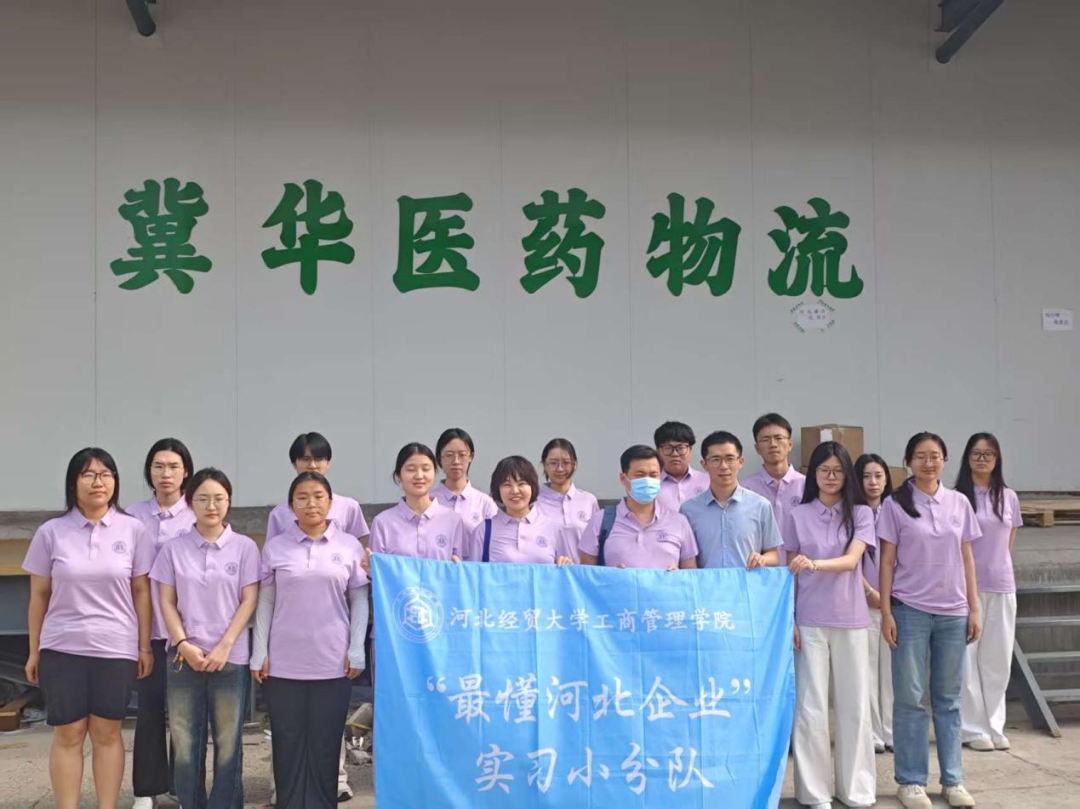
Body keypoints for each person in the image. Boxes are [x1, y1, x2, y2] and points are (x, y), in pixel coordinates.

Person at [23, 448, 154, 809]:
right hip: (62, 646)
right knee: (68, 732)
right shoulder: (51, 532)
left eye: (106, 474)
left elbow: (141, 591)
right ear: (73, 483)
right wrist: (34, 651)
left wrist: (144, 646)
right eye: (89, 474)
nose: (99, 482)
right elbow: (38, 596)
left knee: (107, 732)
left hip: (115, 646)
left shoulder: (133, 530)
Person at [252, 472, 369, 809]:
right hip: (283, 661)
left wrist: (356, 649)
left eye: (318, 496)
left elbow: (359, 600)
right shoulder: (276, 547)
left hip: (333, 660)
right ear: (291, 506)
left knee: (325, 741)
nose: (311, 503)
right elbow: (265, 601)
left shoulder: (348, 545)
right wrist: (259, 651)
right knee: (286, 740)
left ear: (330, 502)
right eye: (302, 497)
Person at [879, 433, 981, 809]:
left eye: (935, 456)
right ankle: (910, 781)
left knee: (948, 700)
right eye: (920, 456)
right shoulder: (895, 504)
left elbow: (967, 558)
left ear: (945, 460)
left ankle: (953, 780)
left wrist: (974, 607)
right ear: (908, 461)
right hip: (909, 610)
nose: (928, 462)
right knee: (909, 699)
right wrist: (887, 611)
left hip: (953, 612)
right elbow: (886, 561)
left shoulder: (959, 502)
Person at [151, 468, 259, 809]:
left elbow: (249, 599)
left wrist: (225, 645)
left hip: (231, 657)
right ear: (190, 502)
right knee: (185, 743)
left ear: (229, 502)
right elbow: (166, 601)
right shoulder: (173, 549)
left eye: (219, 499)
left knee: (229, 742)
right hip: (184, 658)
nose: (211, 506)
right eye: (202, 499)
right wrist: (183, 643)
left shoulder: (244, 548)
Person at [784, 442, 877, 809]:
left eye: (838, 470)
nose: (831, 477)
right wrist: (790, 618)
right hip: (808, 619)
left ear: (847, 474)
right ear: (814, 474)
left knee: (855, 705)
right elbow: (789, 573)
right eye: (824, 470)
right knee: (810, 707)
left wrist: (814, 564)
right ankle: (814, 792)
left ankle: (856, 790)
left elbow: (852, 560)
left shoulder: (861, 513)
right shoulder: (797, 514)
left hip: (851, 618)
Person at [127, 437, 196, 809]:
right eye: (158, 466)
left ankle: (183, 787)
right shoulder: (132, 516)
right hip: (147, 630)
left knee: (185, 716)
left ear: (186, 472)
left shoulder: (197, 512)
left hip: (189, 632)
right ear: (149, 472)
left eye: (173, 466)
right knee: (149, 711)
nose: (166, 473)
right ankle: (145, 790)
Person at [955, 433, 1022, 752]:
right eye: (976, 453)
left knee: (998, 660)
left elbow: (1008, 541)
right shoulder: (957, 498)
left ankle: (995, 725)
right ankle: (972, 729)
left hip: (1002, 586)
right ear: (967, 457)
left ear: (997, 459)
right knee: (967, 661)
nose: (982, 459)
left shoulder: (1008, 497)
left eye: (989, 454)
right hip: (964, 589)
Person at [579, 445, 698, 569]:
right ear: (623, 478)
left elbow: (691, 574)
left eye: (653, 475)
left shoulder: (678, 522)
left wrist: (678, 576)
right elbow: (586, 573)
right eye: (640, 475)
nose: (647, 481)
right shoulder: (601, 520)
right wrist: (610, 575)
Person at [680, 431, 783, 570]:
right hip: (707, 583)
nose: (724, 466)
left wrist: (762, 559)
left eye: (730, 458)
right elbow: (685, 559)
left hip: (747, 583)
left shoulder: (760, 505)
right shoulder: (689, 510)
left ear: (741, 462)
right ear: (704, 464)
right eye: (716, 459)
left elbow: (774, 555)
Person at [854, 452, 895, 754]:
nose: (873, 482)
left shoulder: (895, 511)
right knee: (866, 670)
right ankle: (872, 733)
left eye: (878, 476)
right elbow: (848, 561)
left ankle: (892, 731)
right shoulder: (852, 514)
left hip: (893, 605)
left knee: (892, 673)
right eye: (866, 476)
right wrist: (869, 592)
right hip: (861, 603)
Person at [367, 442, 466, 563]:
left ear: (434, 473)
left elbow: (460, 567)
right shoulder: (383, 523)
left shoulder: (452, 520)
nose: (419, 476)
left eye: (426, 469)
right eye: (411, 469)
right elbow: (378, 570)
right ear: (399, 476)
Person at [465, 456, 574, 565]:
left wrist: (567, 564)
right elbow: (473, 573)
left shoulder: (552, 528)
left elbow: (566, 570)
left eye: (521, 483)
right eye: (507, 485)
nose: (515, 491)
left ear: (532, 486)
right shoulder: (484, 530)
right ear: (498, 490)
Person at [266, 431, 369, 543]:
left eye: (319, 459)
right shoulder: (279, 514)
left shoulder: (349, 507)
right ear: (294, 464)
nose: (312, 465)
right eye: (305, 459)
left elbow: (354, 547)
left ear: (328, 463)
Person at [535, 438, 599, 564]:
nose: (560, 468)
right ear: (545, 466)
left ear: (575, 465)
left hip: (581, 574)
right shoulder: (534, 502)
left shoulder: (589, 501)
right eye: (553, 463)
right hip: (546, 573)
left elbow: (597, 543)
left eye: (566, 462)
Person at [743, 412, 807, 534]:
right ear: (757, 448)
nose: (772, 444)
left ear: (790, 445)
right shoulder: (746, 489)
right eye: (765, 439)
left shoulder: (807, 485)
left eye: (779, 438)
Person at [431, 427, 498, 532]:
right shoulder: (429, 501)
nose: (456, 461)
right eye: (449, 455)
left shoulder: (485, 503)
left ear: (471, 456)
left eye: (462, 455)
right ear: (440, 458)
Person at [653, 421, 710, 513]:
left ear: (690, 450)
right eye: (668, 448)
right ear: (658, 451)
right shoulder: (651, 485)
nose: (675, 454)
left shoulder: (708, 481)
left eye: (681, 448)